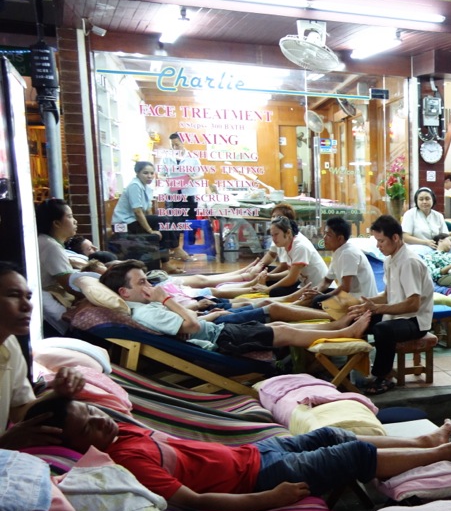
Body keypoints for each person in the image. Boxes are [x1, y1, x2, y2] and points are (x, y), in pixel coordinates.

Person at [35, 395, 451, 511]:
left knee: (332, 433)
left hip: (253, 452)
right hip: (260, 477)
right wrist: (266, 499)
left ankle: (421, 443)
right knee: (351, 454)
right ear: (73, 444)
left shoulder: (120, 432)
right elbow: (194, 502)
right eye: (88, 424)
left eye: (93, 410)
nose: (100, 419)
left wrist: (76, 402)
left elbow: (108, 406)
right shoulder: (127, 463)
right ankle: (444, 451)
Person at [99, 260, 369, 355]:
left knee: (277, 323)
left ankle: (335, 326)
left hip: (217, 330)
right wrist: (165, 299)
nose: (149, 286)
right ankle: (344, 332)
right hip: (222, 339)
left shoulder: (144, 308)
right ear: (124, 292)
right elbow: (191, 324)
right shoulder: (146, 310)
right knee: (283, 330)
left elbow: (189, 321)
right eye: (142, 282)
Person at [0, 263, 85, 451]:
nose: (26, 306)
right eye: (13, 295)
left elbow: (19, 411)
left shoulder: (9, 344)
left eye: (28, 297)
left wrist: (60, 392)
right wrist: (4, 443)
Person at [348, 215, 434, 396]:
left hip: (416, 321)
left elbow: (413, 304)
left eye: (381, 241)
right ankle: (356, 370)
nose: (378, 245)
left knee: (383, 329)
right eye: (376, 241)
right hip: (396, 315)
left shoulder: (409, 261)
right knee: (357, 319)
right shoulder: (390, 259)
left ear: (395, 238)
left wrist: (378, 309)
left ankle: (384, 376)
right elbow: (387, 295)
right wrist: (364, 304)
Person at [36, 198, 82, 333]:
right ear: (56, 223)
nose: (75, 221)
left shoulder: (45, 241)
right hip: (48, 303)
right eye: (70, 216)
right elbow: (70, 284)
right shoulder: (51, 247)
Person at [255, 216, 327, 298]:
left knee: (274, 292)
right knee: (272, 287)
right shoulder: (288, 244)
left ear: (288, 232)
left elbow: (292, 278)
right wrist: (269, 277)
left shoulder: (300, 246)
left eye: (276, 234)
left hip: (320, 290)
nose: (274, 239)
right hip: (306, 287)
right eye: (272, 235)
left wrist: (267, 289)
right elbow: (291, 272)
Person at [160, 132, 204, 262]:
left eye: (177, 144)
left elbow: (200, 174)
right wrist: (167, 179)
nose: (175, 147)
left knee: (189, 222)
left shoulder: (193, 158)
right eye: (172, 145)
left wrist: (192, 178)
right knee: (172, 222)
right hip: (172, 194)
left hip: (188, 193)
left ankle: (189, 250)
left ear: (183, 143)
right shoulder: (166, 158)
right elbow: (161, 174)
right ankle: (174, 249)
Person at [317, 216, 378, 300]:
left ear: (340, 238)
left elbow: (345, 288)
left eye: (328, 235)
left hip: (361, 301)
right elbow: (327, 280)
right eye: (325, 234)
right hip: (350, 298)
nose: (324, 238)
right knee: (314, 299)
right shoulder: (338, 252)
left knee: (317, 301)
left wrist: (322, 297)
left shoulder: (348, 253)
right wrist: (316, 292)